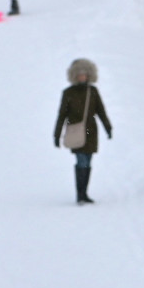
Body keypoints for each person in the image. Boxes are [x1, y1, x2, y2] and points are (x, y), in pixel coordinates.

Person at [53, 58, 113, 205]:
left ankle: (84, 193)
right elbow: (62, 115)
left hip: (91, 132)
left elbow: (101, 110)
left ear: (89, 75)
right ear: (74, 76)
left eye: (84, 74)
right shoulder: (68, 93)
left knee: (88, 161)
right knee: (82, 161)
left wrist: (108, 127)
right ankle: (80, 195)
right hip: (76, 131)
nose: (82, 76)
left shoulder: (93, 91)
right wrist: (57, 134)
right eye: (79, 74)